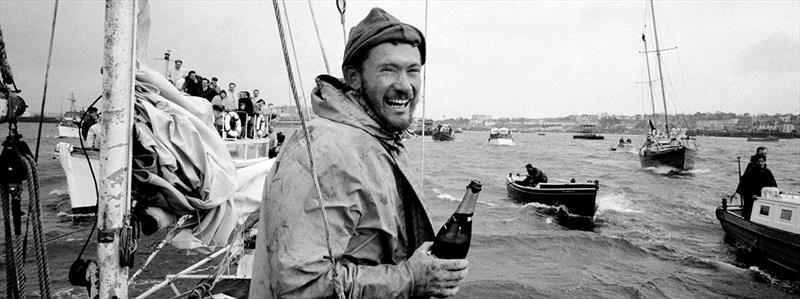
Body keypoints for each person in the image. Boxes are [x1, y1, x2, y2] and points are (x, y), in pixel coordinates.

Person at [250, 8, 468, 298]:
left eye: (413, 71)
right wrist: (410, 278)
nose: (405, 85)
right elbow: (299, 286)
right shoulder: (327, 151)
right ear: (353, 77)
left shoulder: (377, 140)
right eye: (388, 69)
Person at [736, 153, 777, 220]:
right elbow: (746, 185)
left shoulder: (767, 171)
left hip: (763, 196)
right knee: (749, 212)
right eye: (759, 161)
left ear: (764, 162)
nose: (760, 163)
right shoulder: (751, 171)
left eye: (762, 161)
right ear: (756, 162)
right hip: (751, 196)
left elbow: (773, 184)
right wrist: (752, 194)